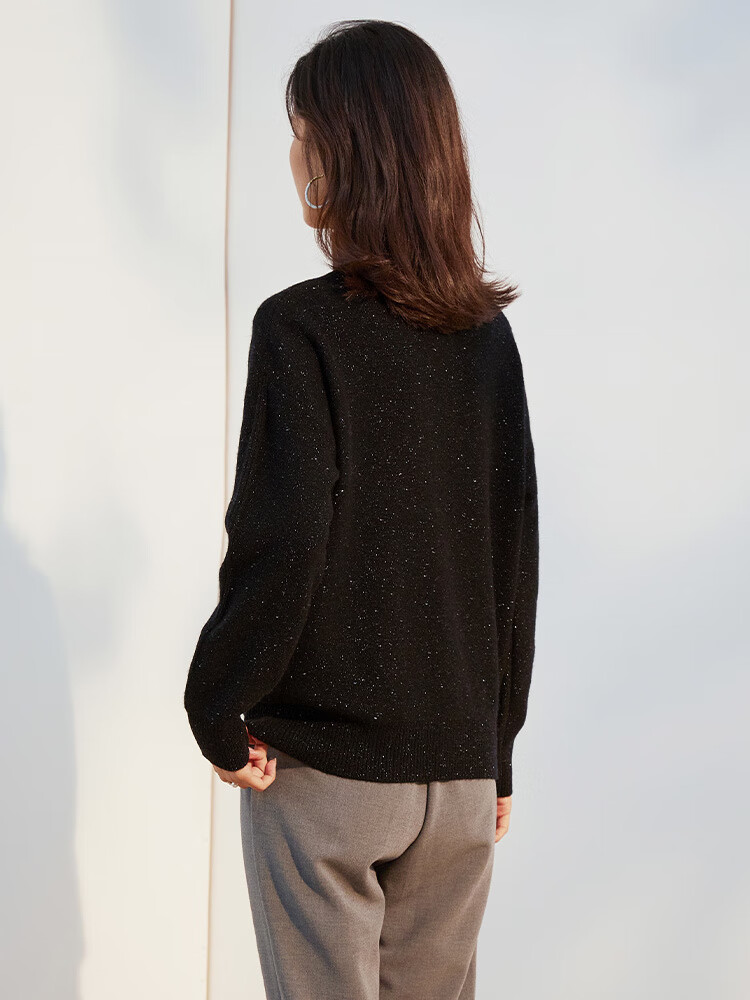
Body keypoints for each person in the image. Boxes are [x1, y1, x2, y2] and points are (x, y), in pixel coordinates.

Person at [184, 18, 540, 1000]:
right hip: (461, 780)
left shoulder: (298, 329)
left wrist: (217, 704)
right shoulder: (487, 340)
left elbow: (283, 535)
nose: (292, 156)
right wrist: (497, 749)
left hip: (328, 775)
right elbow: (513, 556)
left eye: (300, 132)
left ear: (343, 153)